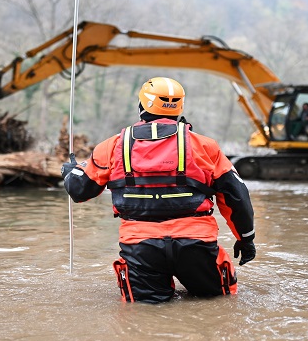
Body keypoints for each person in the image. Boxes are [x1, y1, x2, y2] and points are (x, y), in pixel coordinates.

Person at [61, 77, 256, 304]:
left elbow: (80, 191)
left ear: (142, 106)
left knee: (145, 316)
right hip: (196, 246)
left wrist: (71, 172)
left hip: (140, 248)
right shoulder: (205, 146)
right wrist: (245, 238)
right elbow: (236, 196)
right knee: (218, 306)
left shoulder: (112, 146)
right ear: (180, 107)